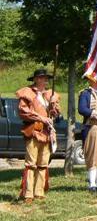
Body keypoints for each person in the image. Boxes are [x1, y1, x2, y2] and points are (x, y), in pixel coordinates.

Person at [16, 68, 60, 204]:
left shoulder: (50, 94)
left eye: (46, 78)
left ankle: (39, 192)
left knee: (43, 163)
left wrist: (53, 105)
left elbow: (55, 114)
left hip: (46, 133)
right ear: (35, 79)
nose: (44, 80)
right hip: (34, 131)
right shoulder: (27, 92)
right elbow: (23, 111)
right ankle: (28, 194)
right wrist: (41, 118)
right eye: (41, 77)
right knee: (31, 164)